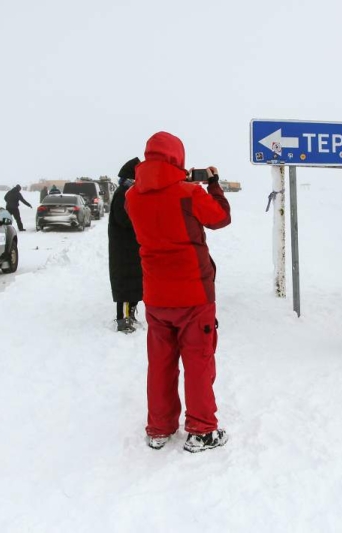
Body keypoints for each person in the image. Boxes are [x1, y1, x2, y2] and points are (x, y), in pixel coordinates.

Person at [125, 131, 231, 453]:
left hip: (156, 296)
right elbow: (221, 218)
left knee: (160, 363)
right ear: (178, 160)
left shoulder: (132, 197)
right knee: (198, 361)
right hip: (194, 295)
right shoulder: (189, 193)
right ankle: (201, 430)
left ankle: (159, 427)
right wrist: (212, 184)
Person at [108, 157, 143, 333]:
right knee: (125, 285)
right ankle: (123, 320)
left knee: (133, 283)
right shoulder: (124, 193)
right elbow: (124, 219)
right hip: (124, 248)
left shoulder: (128, 191)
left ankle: (130, 315)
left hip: (130, 246)